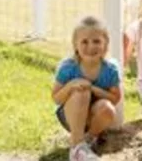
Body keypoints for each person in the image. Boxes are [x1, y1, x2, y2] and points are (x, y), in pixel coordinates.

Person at [52, 16, 121, 161]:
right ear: (75, 45)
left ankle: (86, 141)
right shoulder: (68, 67)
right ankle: (76, 148)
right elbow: (56, 98)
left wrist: (93, 89)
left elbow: (115, 99)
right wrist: (72, 84)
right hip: (70, 115)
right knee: (81, 92)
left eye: (96, 41)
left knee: (108, 108)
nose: (91, 46)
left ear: (105, 44)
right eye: (84, 42)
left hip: (94, 118)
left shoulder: (110, 70)